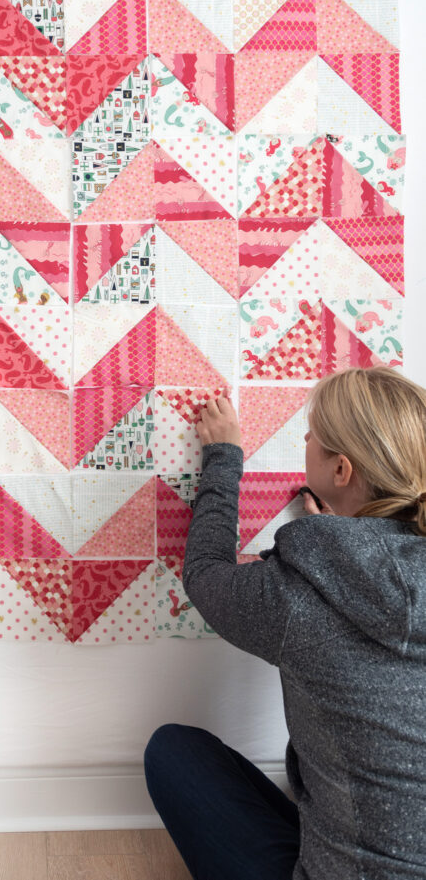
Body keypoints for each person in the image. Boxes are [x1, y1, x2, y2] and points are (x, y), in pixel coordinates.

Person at [143, 366, 426, 880]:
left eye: (313, 435)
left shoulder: (297, 596)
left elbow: (206, 574)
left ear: (341, 471)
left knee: (174, 752)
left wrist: (223, 457)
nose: (305, 439)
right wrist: (337, 537)